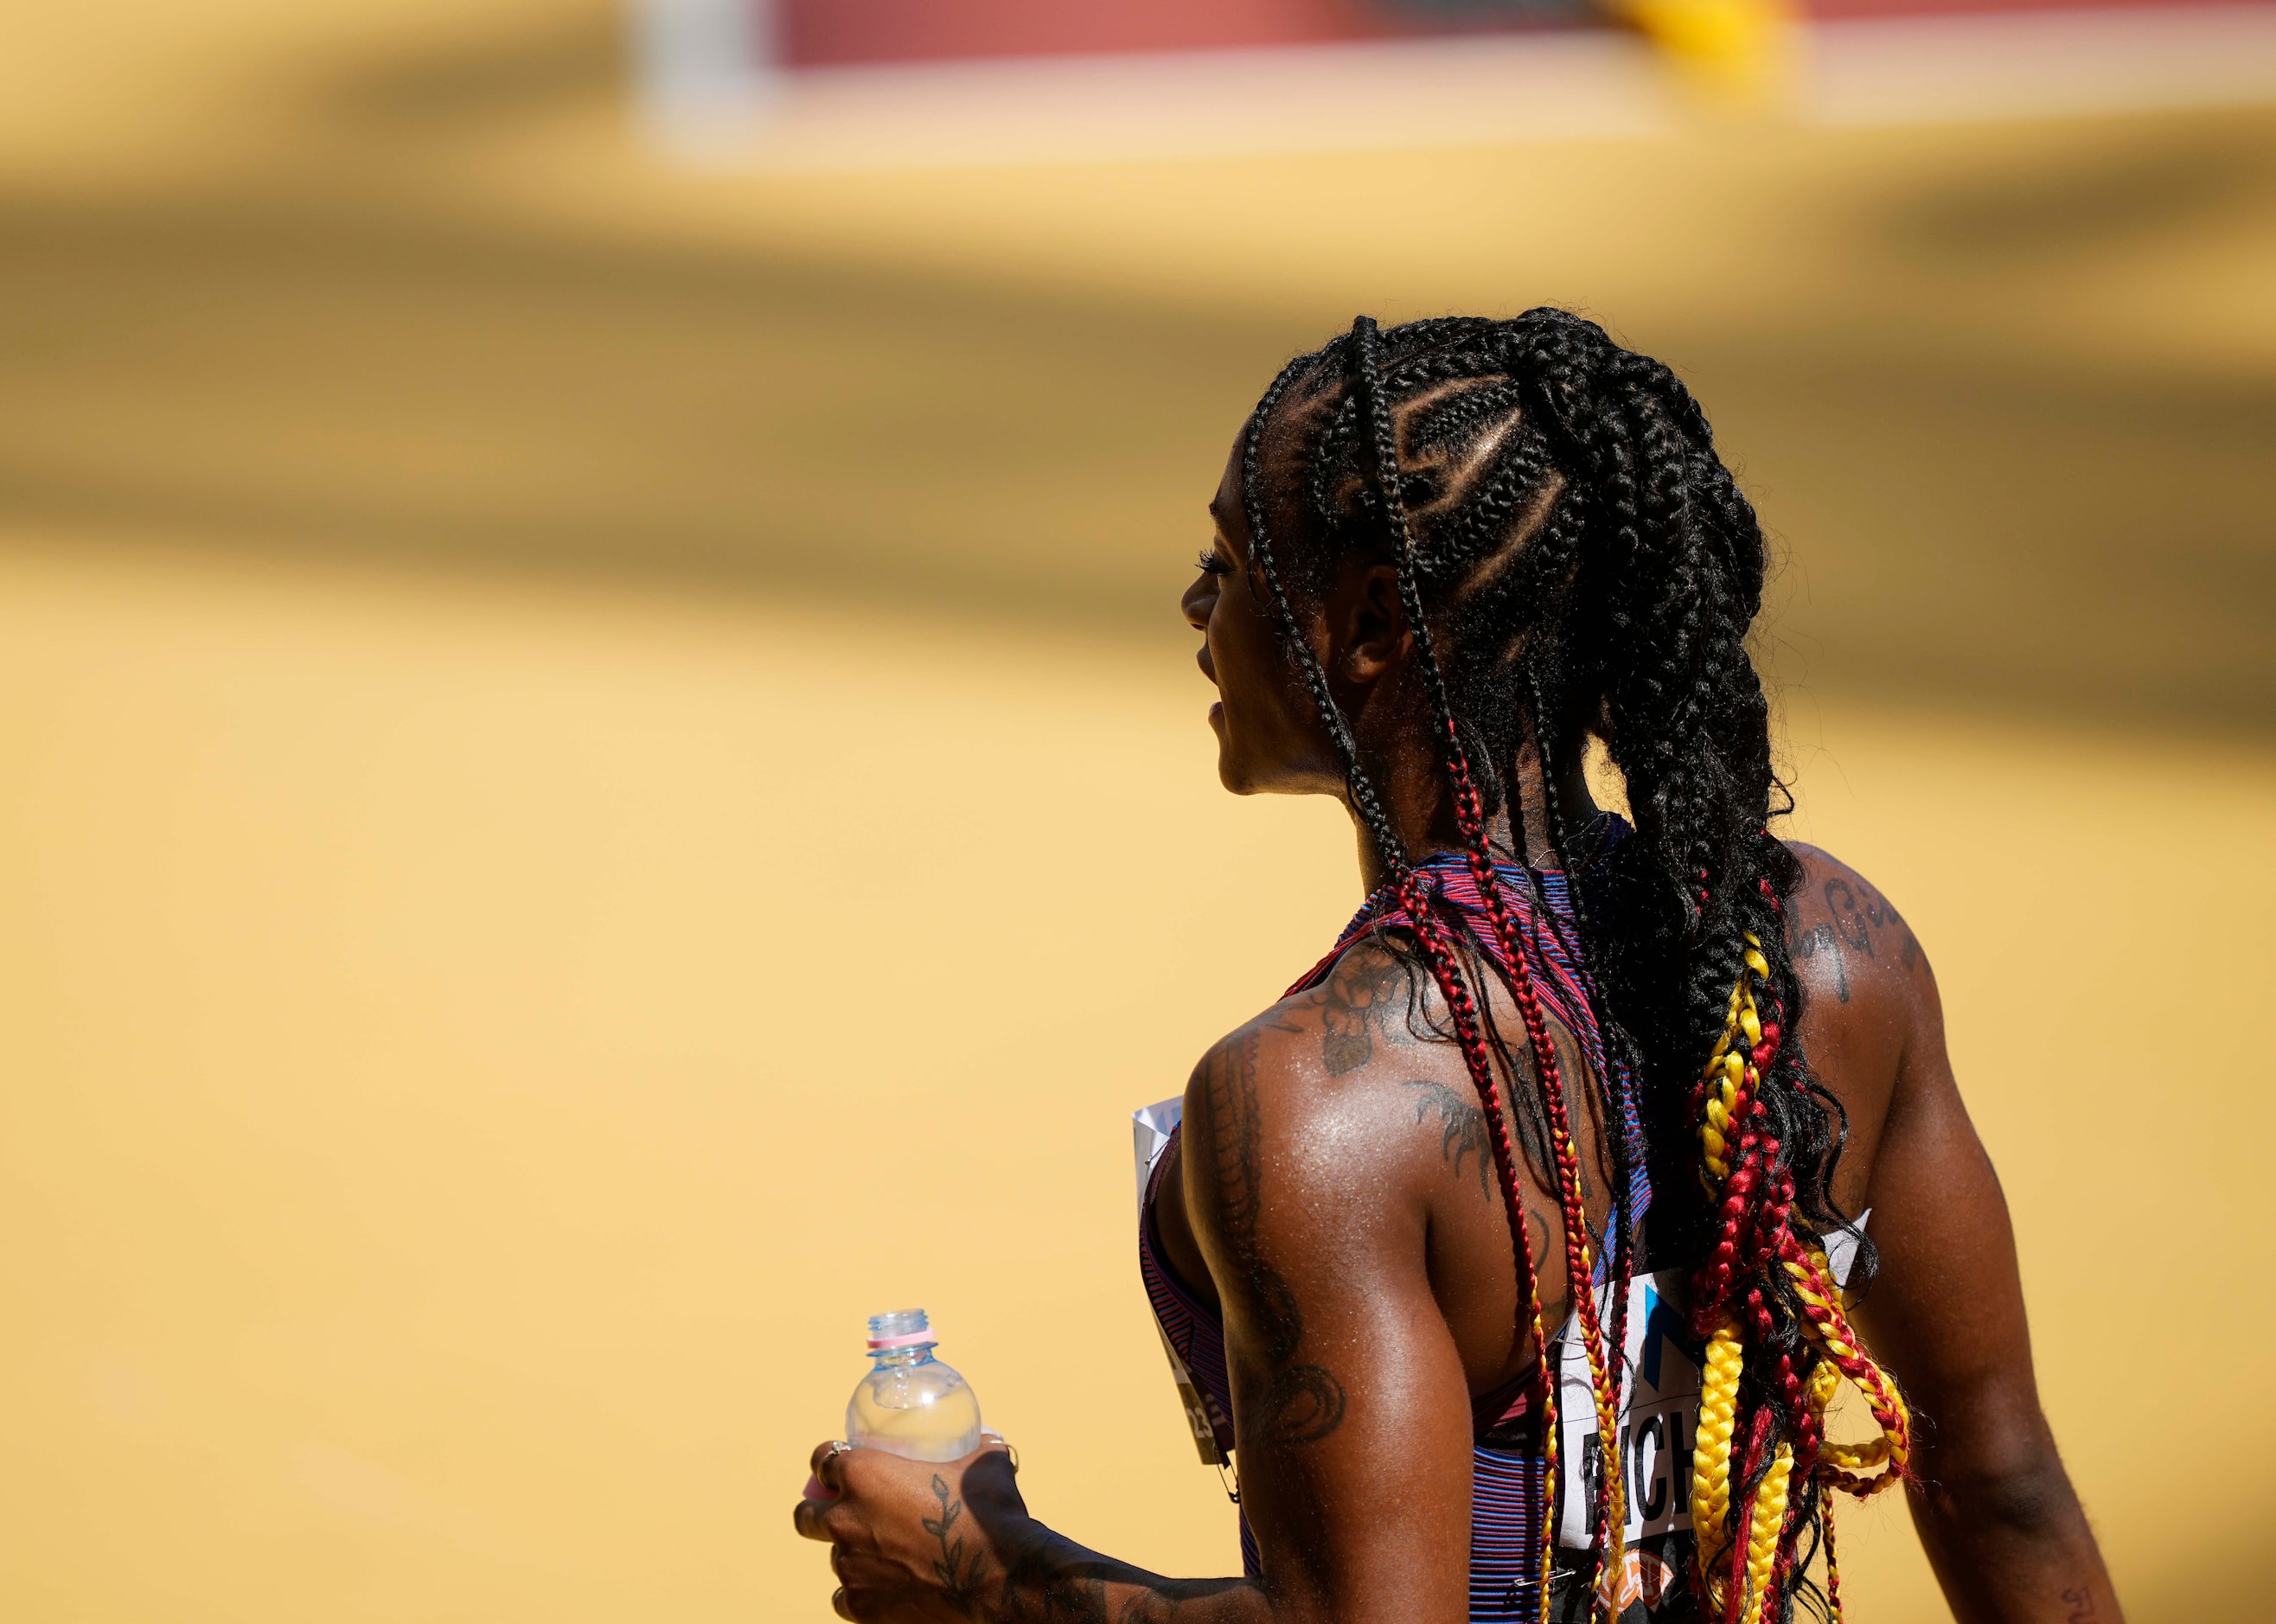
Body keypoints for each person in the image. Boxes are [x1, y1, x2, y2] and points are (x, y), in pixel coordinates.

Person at [792, 310, 2120, 1624]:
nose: (1198, 605)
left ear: (1369, 620)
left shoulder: (1318, 1105)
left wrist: (989, 1567)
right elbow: (2003, 1488)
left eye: (1231, 561)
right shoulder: (1829, 952)